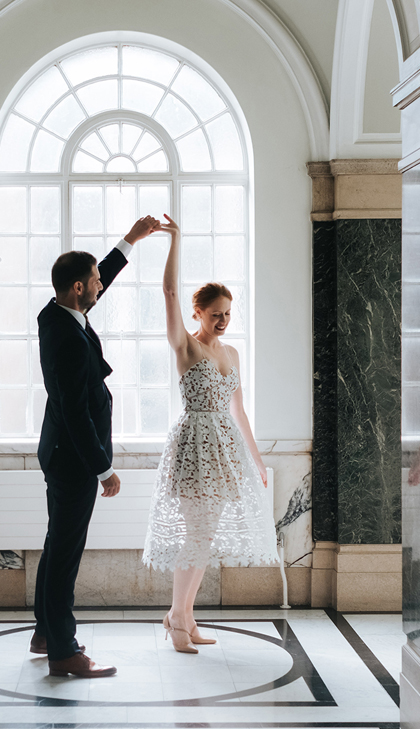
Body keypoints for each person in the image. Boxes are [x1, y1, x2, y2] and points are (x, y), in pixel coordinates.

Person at [142, 214, 278, 654]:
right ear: (198, 312)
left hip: (224, 449)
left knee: (206, 535)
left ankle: (183, 614)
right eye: (215, 314)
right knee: (195, 535)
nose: (222, 321)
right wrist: (175, 239)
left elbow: (239, 411)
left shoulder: (232, 353)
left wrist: (256, 462)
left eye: (227, 314)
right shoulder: (186, 345)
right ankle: (178, 618)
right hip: (193, 446)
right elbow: (167, 292)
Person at [33, 214, 161, 678]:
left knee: (56, 543)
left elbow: (99, 273)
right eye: (94, 282)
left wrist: (130, 241)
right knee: (66, 553)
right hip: (73, 459)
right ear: (79, 289)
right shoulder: (66, 333)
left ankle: (45, 630)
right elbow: (73, 411)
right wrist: (104, 469)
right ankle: (64, 651)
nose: (100, 285)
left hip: (60, 453)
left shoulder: (59, 312)